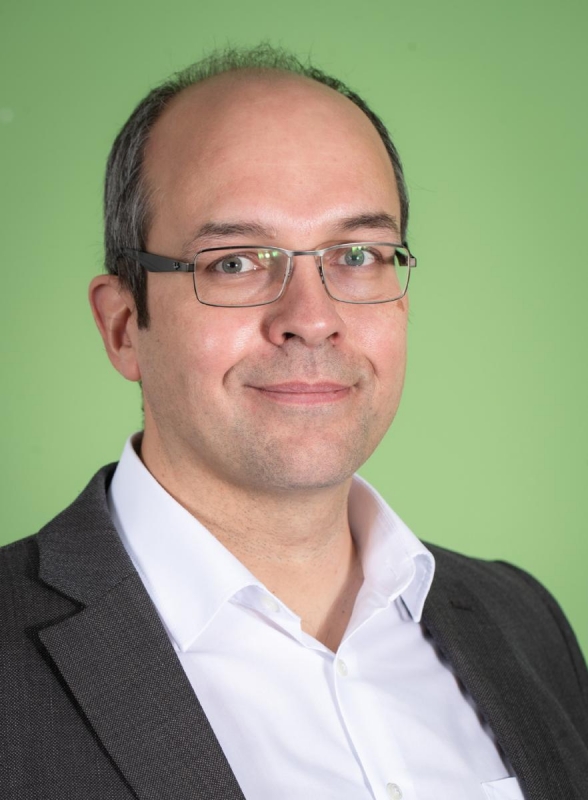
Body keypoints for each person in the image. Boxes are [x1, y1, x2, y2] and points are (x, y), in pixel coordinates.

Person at [1, 45, 587, 800]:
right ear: (122, 327)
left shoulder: (525, 624)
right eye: (235, 262)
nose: (311, 319)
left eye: (357, 254)